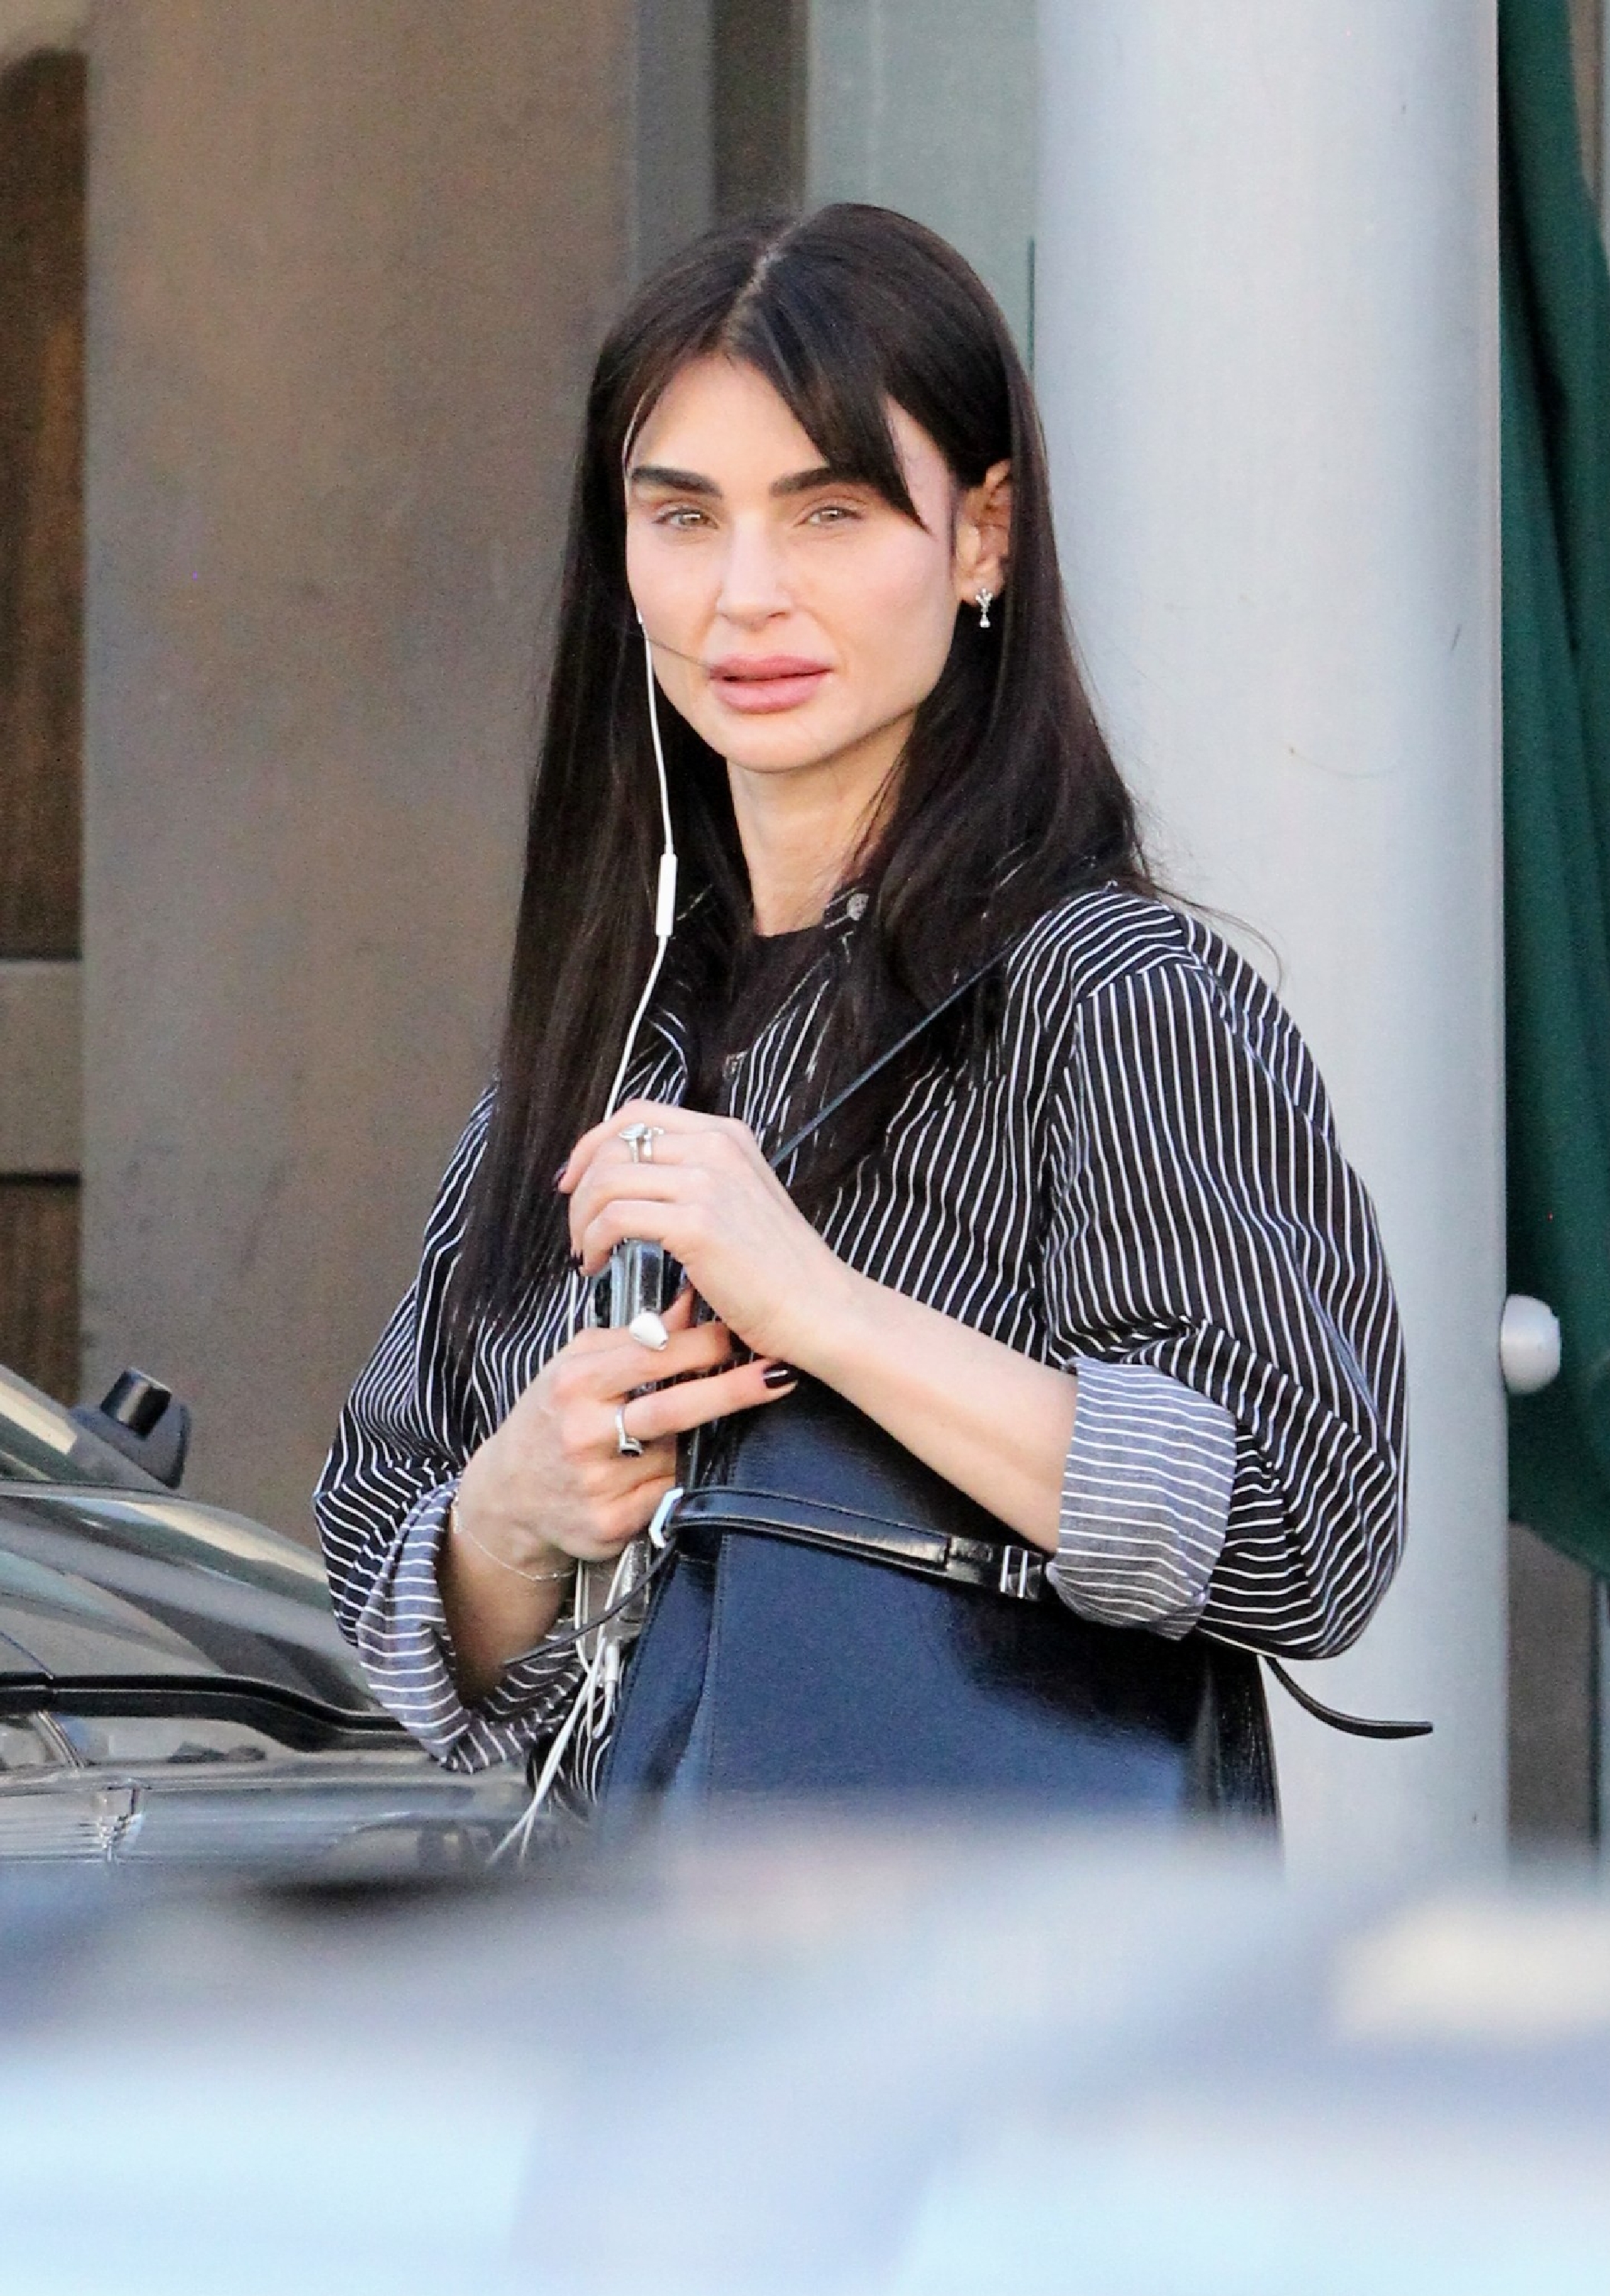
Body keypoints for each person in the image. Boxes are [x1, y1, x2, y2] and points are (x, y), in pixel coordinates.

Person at [315, 205, 1406, 1819]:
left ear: (979, 536)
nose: (744, 595)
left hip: (989, 2001)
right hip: (636, 1989)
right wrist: (512, 1515)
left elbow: (1300, 1531)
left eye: (826, 512)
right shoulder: (610, 1045)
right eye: (681, 518)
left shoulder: (1109, 994)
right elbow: (382, 1616)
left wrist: (819, 1307)